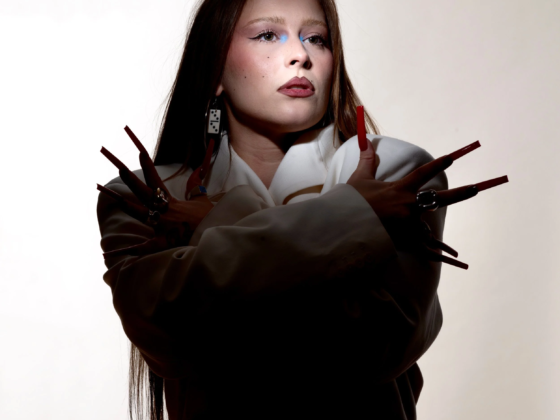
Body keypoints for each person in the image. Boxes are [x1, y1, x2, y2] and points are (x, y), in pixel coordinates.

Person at [97, 0, 507, 419]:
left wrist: (215, 225)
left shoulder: (396, 170)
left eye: (316, 38)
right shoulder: (142, 194)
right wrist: (356, 213)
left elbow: (375, 346)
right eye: (267, 35)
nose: (300, 55)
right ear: (214, 68)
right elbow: (168, 336)